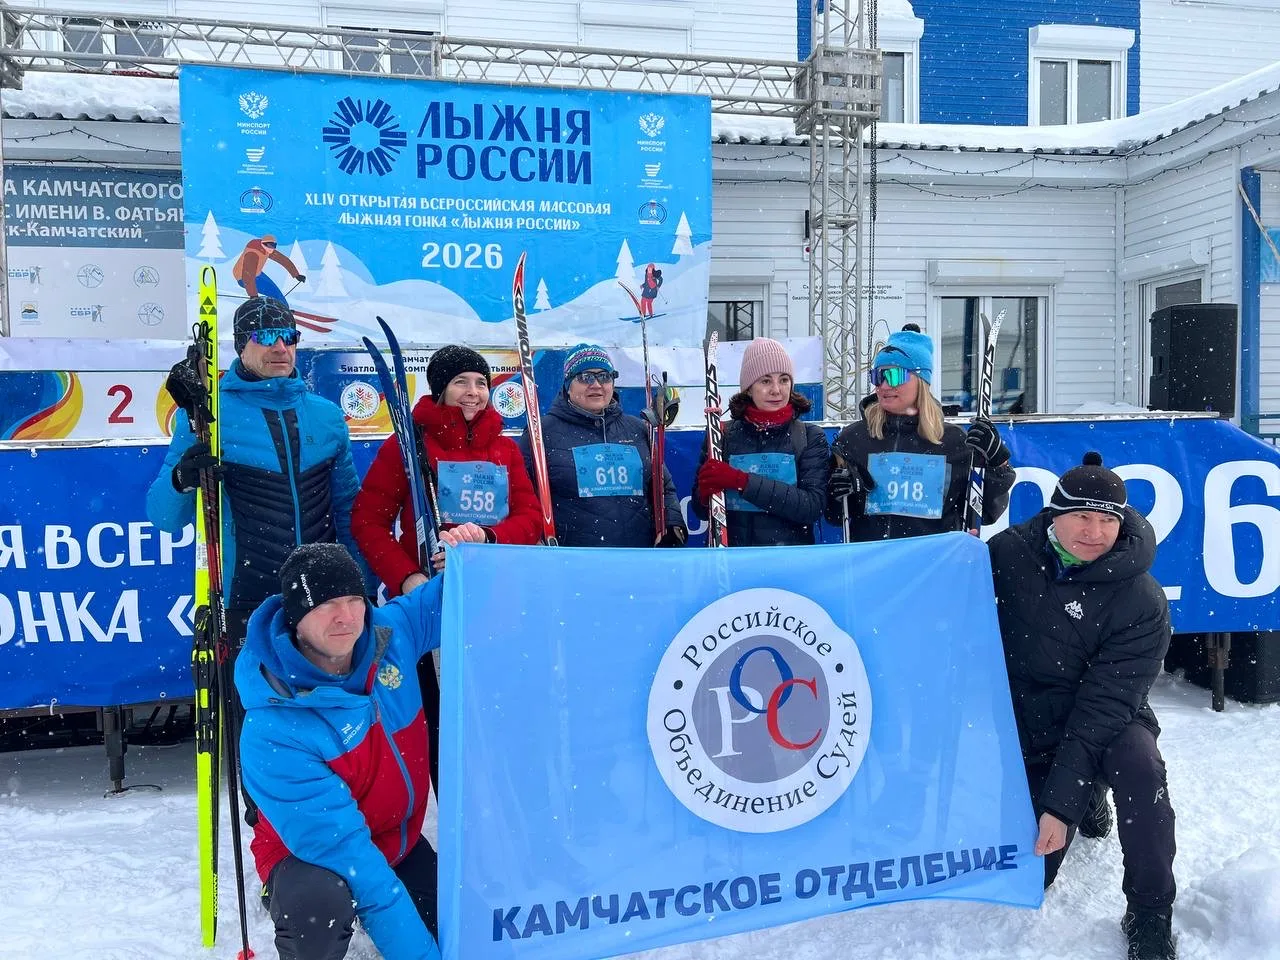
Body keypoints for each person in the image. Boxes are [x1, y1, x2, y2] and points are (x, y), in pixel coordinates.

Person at [988, 453, 1177, 960]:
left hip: (1107, 719)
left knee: (1140, 767)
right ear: (1055, 515)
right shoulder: (1007, 554)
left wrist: (1060, 805)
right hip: (1027, 718)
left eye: (1107, 520)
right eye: (1082, 516)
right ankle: (1088, 791)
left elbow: (1104, 707)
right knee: (1032, 875)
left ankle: (1150, 912)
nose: (1095, 532)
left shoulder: (1142, 598)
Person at [236, 542, 442, 960]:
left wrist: (482, 549)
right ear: (296, 619)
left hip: (395, 843)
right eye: (327, 604)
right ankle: (287, 903)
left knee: (459, 928)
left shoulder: (388, 635)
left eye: (353, 599)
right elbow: (352, 857)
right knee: (319, 908)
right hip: (312, 857)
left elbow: (461, 596)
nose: (346, 617)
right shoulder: (272, 730)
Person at [147, 295, 363, 652]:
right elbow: (164, 518)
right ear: (240, 345)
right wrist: (181, 480)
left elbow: (348, 511)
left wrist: (361, 586)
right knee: (254, 689)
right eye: (264, 337)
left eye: (288, 337)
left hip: (324, 597)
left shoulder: (326, 416)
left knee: (328, 689)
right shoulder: (209, 416)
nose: (280, 347)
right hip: (246, 598)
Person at [352, 343, 543, 591]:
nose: (473, 392)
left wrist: (488, 537)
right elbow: (368, 520)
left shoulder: (505, 448)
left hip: (496, 583)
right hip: (429, 587)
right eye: (461, 382)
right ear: (441, 389)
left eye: (481, 383)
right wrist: (406, 576)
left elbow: (530, 518)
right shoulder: (407, 445)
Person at [825, 323, 1014, 541]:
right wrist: (838, 495)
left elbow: (987, 512)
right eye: (877, 376)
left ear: (921, 380)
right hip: (874, 559)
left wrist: (998, 464)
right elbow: (834, 516)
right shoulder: (853, 439)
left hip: (932, 559)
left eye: (894, 375)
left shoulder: (953, 441)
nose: (883, 385)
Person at [518, 343, 686, 547]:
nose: (596, 384)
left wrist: (671, 525)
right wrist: (533, 539)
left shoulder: (637, 428)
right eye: (585, 377)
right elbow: (522, 496)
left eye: (605, 376)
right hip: (573, 557)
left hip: (637, 554)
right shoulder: (541, 432)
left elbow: (663, 487)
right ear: (568, 385)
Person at [691, 337, 829, 546]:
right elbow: (701, 511)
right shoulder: (722, 435)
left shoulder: (809, 436)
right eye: (765, 381)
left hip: (789, 559)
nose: (776, 390)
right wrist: (704, 495)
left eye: (784, 380)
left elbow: (811, 507)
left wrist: (741, 481)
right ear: (748, 388)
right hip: (735, 558)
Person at [233, 234, 305, 304]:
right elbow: (248, 275)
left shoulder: (267, 249)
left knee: (276, 292)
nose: (272, 248)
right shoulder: (252, 254)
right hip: (242, 277)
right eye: (270, 245)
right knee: (274, 293)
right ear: (263, 244)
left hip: (256, 273)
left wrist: (296, 275)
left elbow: (283, 260)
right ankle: (281, 306)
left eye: (274, 245)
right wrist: (253, 295)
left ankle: (283, 306)